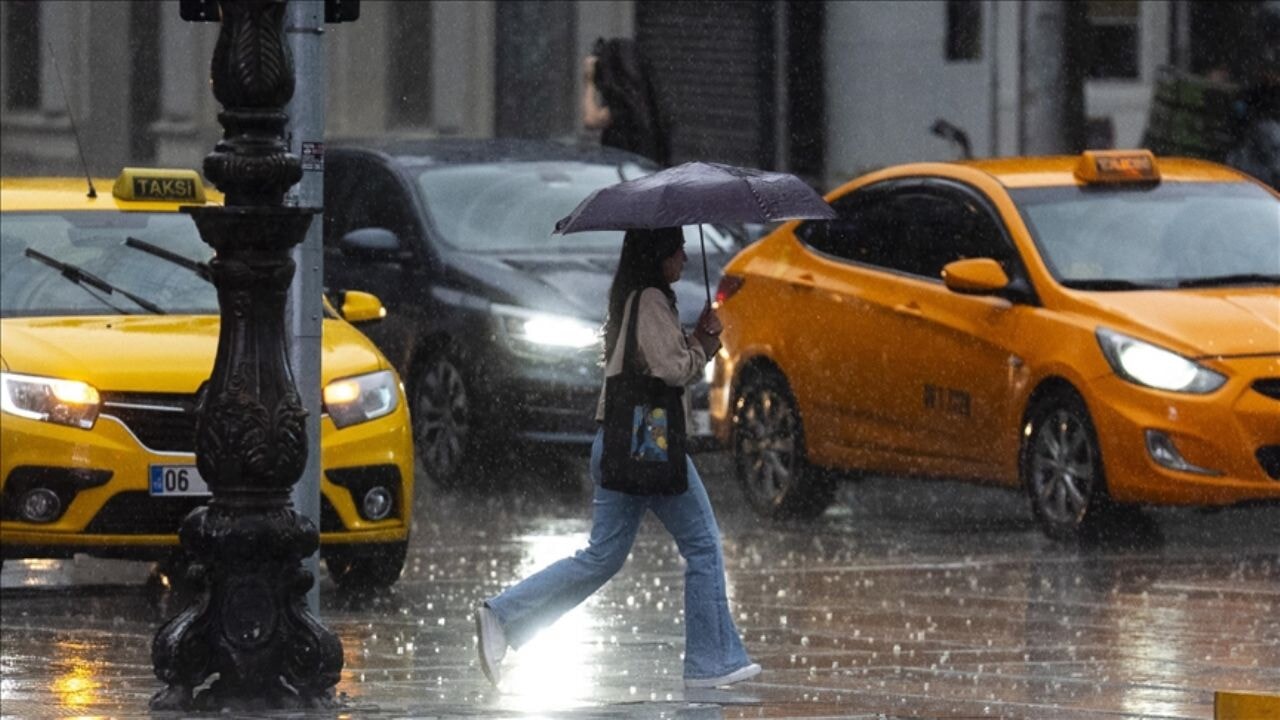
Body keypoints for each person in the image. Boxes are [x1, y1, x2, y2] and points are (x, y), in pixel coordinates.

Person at [474, 227, 760, 689]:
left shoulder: (637, 297)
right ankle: (711, 663)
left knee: (602, 556)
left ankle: (503, 617)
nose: (685, 257)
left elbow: (657, 359)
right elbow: (670, 369)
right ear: (659, 254)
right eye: (678, 249)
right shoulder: (648, 298)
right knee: (703, 544)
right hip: (647, 440)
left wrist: (695, 339)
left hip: (619, 440)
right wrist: (704, 344)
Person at [582, 38, 672, 166]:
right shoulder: (647, 100)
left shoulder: (624, 103)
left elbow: (591, 120)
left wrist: (589, 81)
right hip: (645, 170)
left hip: (625, 171)